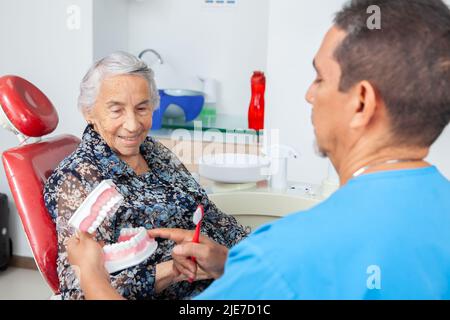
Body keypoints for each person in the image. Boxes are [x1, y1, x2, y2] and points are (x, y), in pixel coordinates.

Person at [66, 0, 450, 299]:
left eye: (319, 77)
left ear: (362, 103)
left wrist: (93, 275)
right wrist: (234, 264)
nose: (309, 93)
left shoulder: (280, 257)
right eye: (116, 109)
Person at [43, 52, 248, 300]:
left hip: (228, 279)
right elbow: (78, 290)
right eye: (116, 110)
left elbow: (209, 212)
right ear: (89, 112)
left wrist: (251, 255)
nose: (132, 125)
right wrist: (172, 271)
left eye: (142, 108)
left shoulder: (153, 151)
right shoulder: (78, 178)